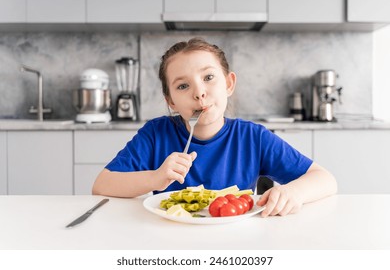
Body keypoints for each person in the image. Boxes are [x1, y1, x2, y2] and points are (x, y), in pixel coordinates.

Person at [93, 37, 337, 217]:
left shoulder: (253, 138)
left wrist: (293, 193)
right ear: (171, 102)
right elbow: (102, 185)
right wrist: (156, 178)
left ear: (229, 84)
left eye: (208, 78)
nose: (199, 93)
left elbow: (325, 179)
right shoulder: (156, 134)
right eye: (182, 86)